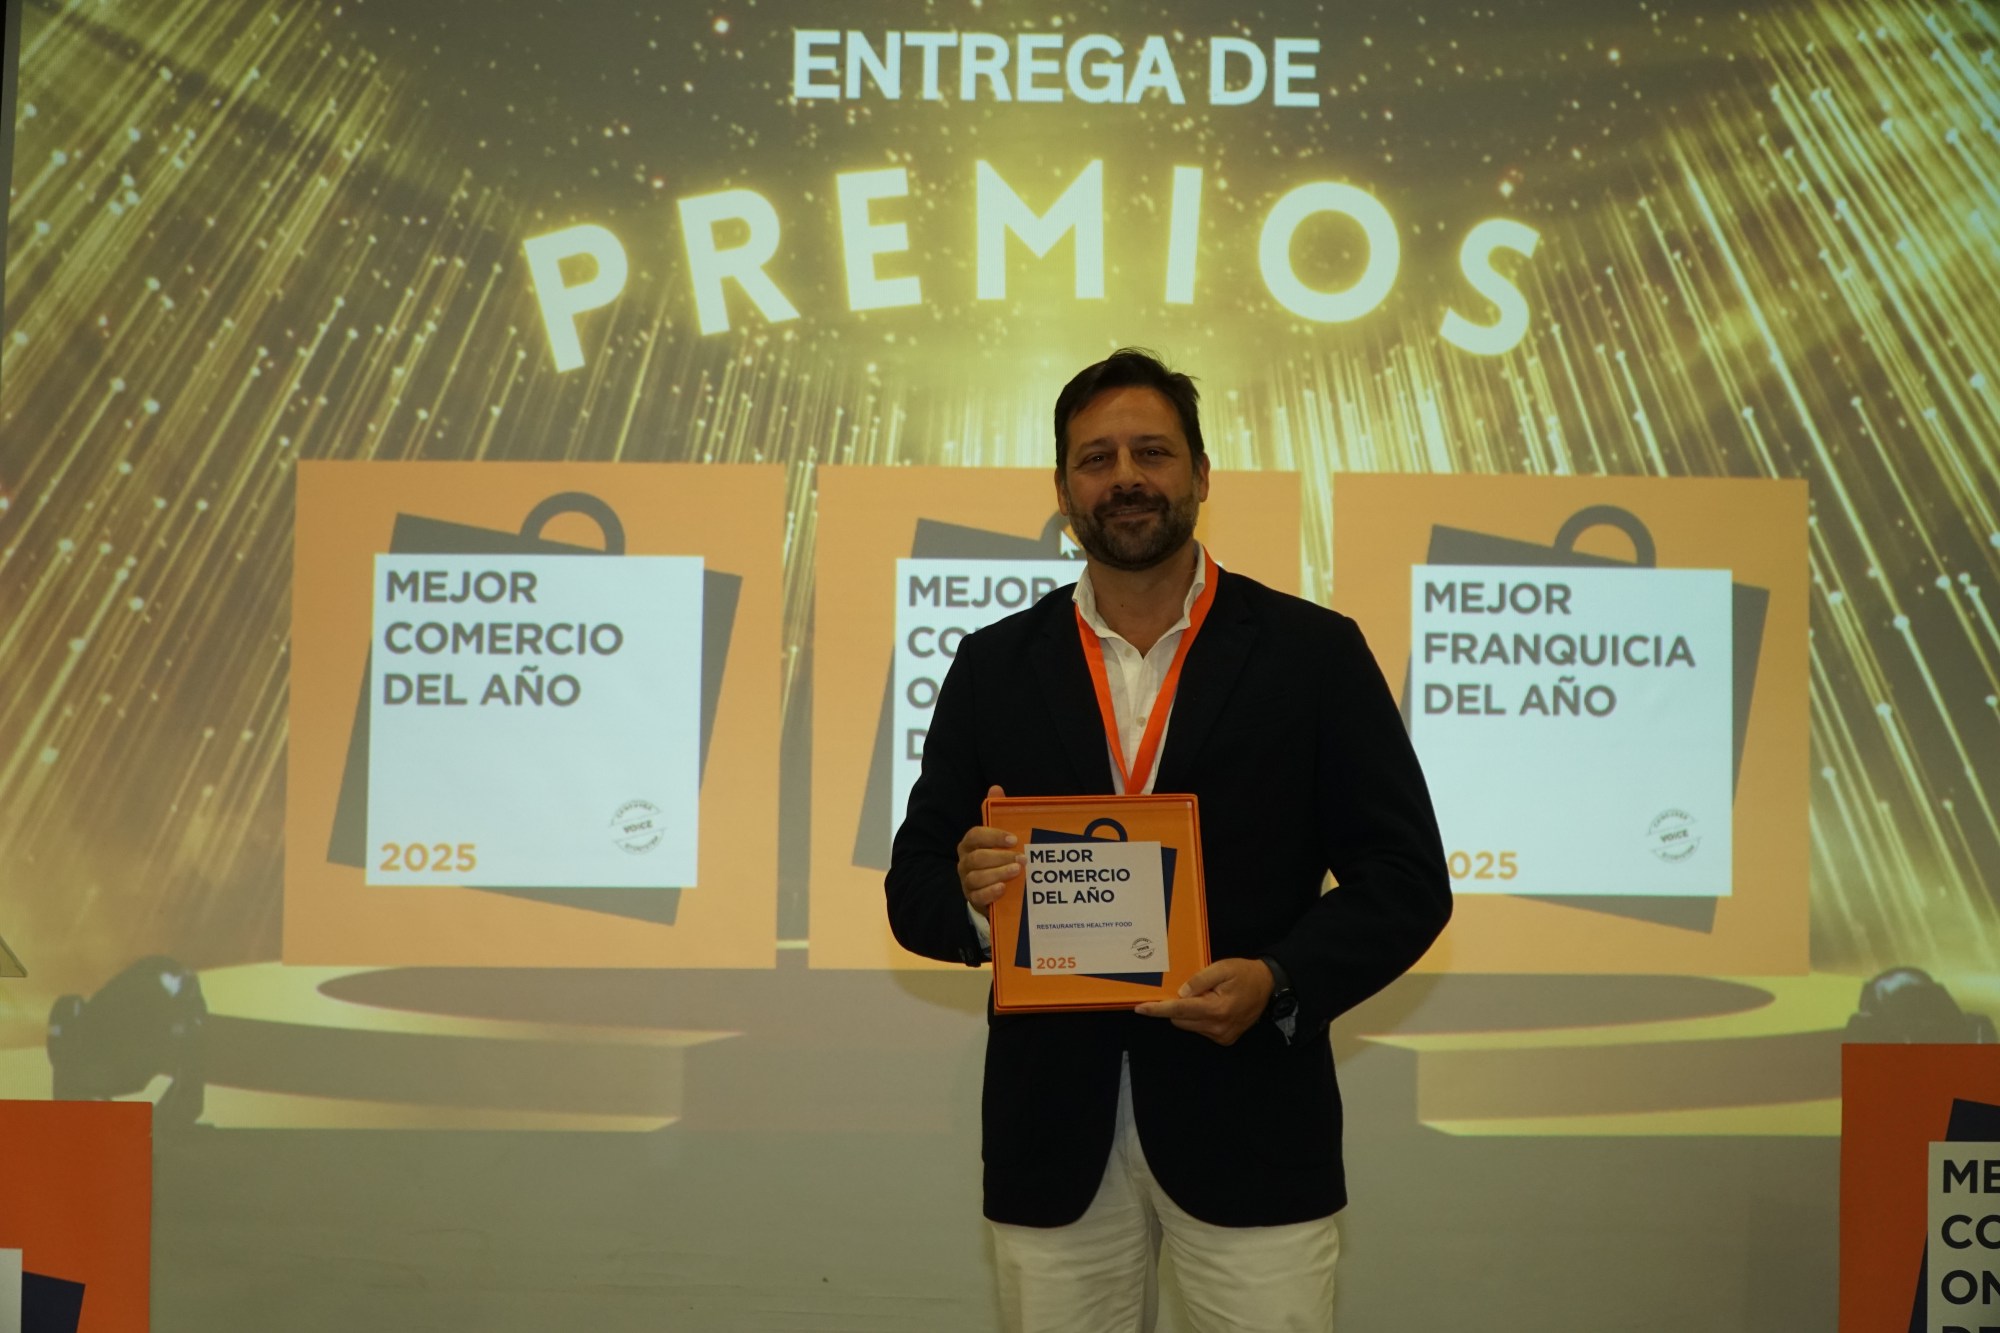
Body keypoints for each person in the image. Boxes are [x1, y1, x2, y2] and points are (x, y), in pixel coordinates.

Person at [885, 348, 1451, 1332]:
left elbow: (1405, 878)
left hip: (1253, 1117)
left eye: (1151, 451)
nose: (1125, 477)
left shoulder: (1313, 654)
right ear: (1062, 489)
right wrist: (982, 909)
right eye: (1095, 458)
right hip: (1052, 1133)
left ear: (1200, 473)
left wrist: (1276, 979)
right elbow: (915, 885)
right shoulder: (992, 665)